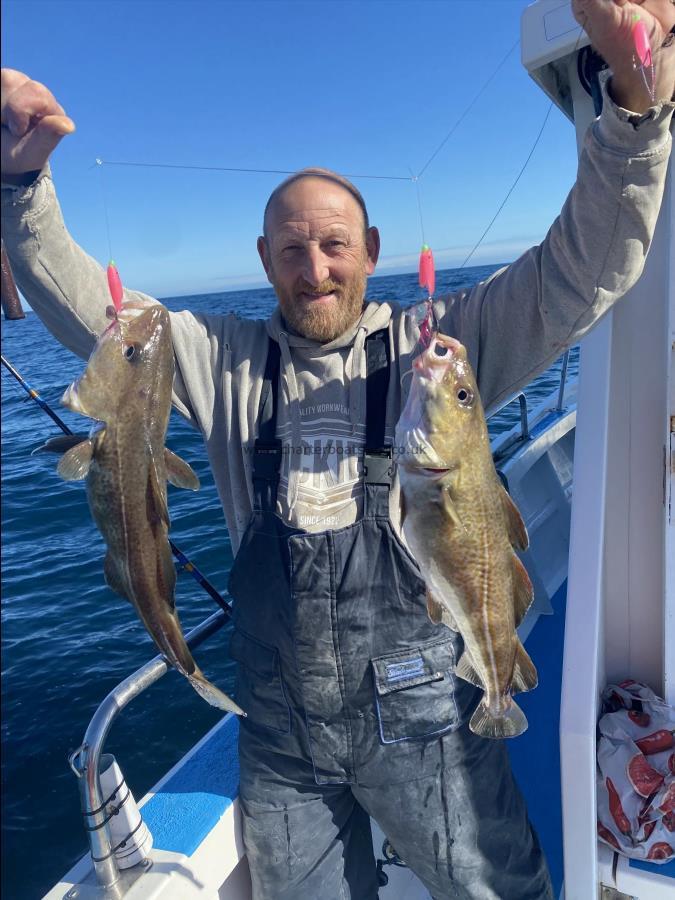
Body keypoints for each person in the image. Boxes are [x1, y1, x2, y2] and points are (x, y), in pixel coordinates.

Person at [2, 1, 674, 897]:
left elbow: (581, 267)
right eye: (289, 249)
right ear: (263, 258)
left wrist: (632, 109)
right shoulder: (220, 358)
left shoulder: (445, 344)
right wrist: (22, 193)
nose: (312, 267)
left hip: (428, 718)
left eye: (332, 245)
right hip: (281, 738)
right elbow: (101, 324)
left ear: (372, 251)